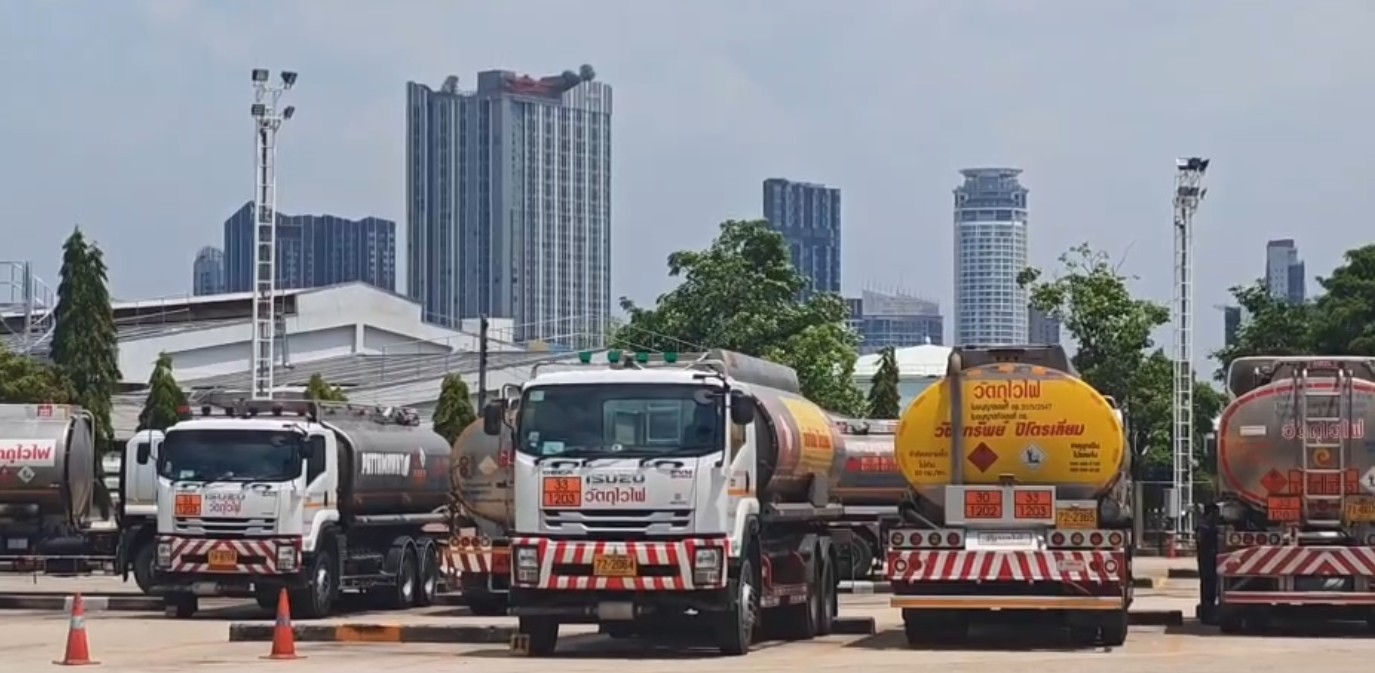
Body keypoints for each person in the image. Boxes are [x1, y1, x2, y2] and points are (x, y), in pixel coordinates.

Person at [1194, 502, 1221, 624]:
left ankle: (1207, 612)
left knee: (1208, 586)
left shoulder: (1204, 525)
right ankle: (1207, 614)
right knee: (1209, 587)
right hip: (1207, 560)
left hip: (1206, 560)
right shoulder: (1206, 527)